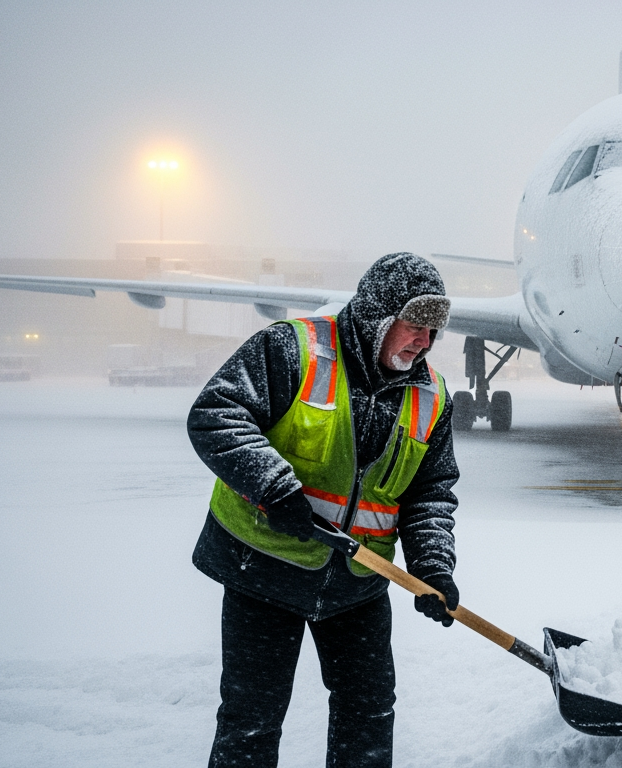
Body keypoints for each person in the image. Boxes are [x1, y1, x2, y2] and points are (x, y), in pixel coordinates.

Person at [187, 252, 460, 768]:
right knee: (252, 719)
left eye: (433, 331)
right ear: (378, 316)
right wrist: (274, 487)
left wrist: (432, 567)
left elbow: (429, 492)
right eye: (415, 326)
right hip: (265, 570)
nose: (424, 342)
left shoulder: (431, 396)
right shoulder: (293, 349)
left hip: (359, 583)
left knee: (369, 714)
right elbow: (216, 414)